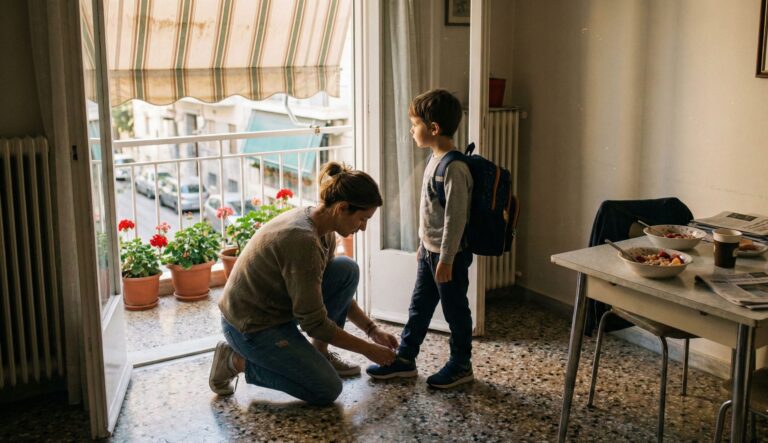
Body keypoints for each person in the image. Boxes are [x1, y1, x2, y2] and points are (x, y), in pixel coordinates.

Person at [209, 162, 399, 405]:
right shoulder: (302, 241)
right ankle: (234, 360)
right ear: (342, 208)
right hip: (250, 326)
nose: (363, 227)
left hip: (278, 310)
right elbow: (315, 324)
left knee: (346, 270)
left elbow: (328, 292)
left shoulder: (324, 227)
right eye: (362, 219)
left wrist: (372, 330)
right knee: (326, 389)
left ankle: (319, 355)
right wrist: (368, 350)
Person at [366, 89, 474, 389]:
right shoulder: (434, 159)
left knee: (455, 312)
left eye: (415, 124)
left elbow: (455, 219)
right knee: (419, 307)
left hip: (447, 257)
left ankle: (461, 364)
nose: (412, 130)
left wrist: (447, 259)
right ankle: (405, 359)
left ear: (434, 128)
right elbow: (431, 210)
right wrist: (422, 244)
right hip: (430, 253)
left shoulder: (454, 168)